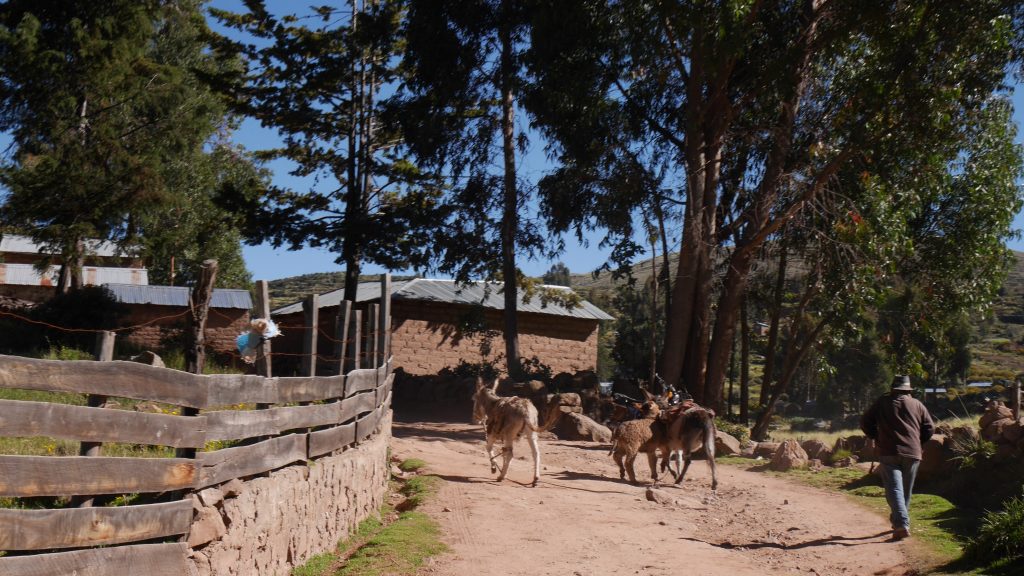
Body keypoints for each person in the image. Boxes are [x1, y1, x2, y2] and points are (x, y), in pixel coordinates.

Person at [861, 375, 935, 541]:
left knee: (894, 489)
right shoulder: (917, 404)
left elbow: (865, 422)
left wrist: (875, 436)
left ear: (893, 389)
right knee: (905, 491)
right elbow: (930, 428)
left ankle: (901, 523)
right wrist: (918, 442)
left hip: (889, 451)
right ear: (908, 390)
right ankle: (900, 523)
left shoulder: (882, 402)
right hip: (913, 453)